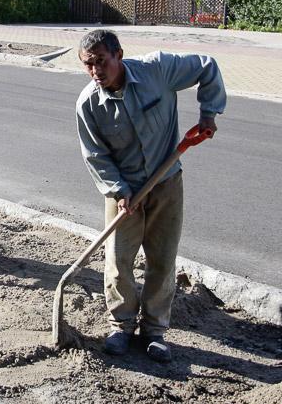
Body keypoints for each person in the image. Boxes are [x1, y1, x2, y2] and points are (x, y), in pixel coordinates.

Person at [75, 29, 226, 362]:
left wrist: (208, 114)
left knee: (162, 259)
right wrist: (119, 191)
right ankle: (121, 326)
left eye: (102, 61)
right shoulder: (88, 104)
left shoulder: (157, 69)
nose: (96, 71)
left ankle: (155, 331)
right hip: (123, 191)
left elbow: (207, 66)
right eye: (88, 64)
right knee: (118, 262)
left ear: (119, 55)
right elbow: (96, 155)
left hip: (166, 183)